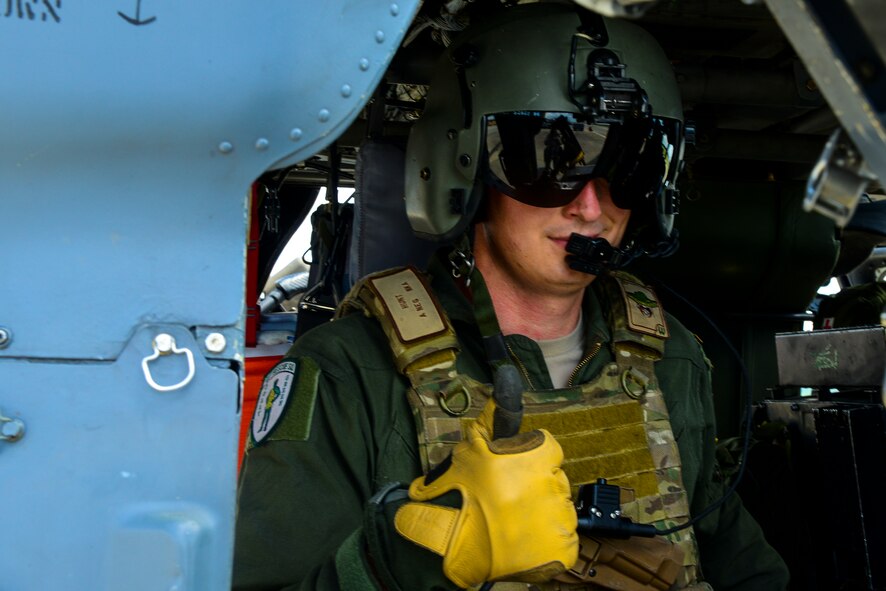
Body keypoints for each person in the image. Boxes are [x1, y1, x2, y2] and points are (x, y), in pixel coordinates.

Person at [233, 4, 789, 590]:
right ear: (464, 172)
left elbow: (739, 560)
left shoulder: (670, 354)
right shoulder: (349, 373)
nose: (591, 208)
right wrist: (416, 555)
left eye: (628, 166)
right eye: (550, 162)